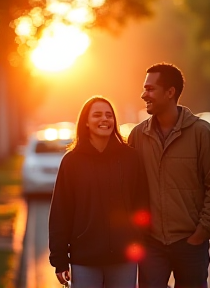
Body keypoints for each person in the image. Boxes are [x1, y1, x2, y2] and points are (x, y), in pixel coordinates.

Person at [128, 62, 210, 288]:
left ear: (170, 92)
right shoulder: (137, 136)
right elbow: (127, 186)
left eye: (150, 89)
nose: (143, 94)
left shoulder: (202, 133)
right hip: (151, 244)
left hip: (191, 244)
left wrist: (203, 231)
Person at [49, 95, 150, 288]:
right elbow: (60, 214)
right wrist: (59, 259)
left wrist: (138, 238)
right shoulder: (71, 162)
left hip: (124, 258)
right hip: (84, 259)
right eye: (97, 115)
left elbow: (142, 204)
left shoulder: (131, 158)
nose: (104, 119)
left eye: (109, 115)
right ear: (86, 122)